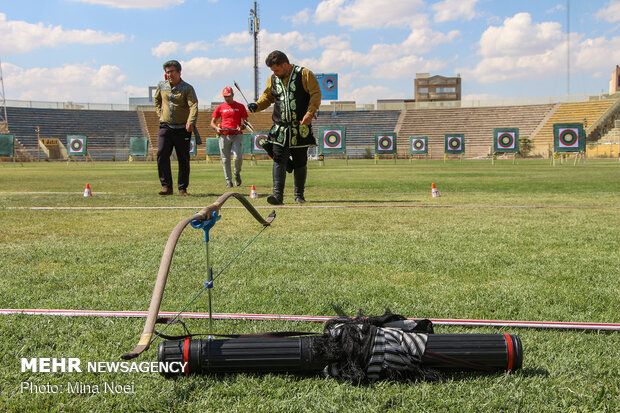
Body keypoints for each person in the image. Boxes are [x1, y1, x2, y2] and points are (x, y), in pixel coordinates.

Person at [247, 50, 321, 204]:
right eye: (272, 70)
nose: (275, 73)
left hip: (300, 128)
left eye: (276, 69)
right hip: (280, 129)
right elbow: (267, 97)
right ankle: (277, 196)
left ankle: (299, 195)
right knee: (279, 159)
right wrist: (256, 105)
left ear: (285, 65)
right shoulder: (272, 79)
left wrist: (310, 112)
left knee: (300, 161)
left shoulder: (305, 74)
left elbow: (316, 93)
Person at [154, 59, 198, 196]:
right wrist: (160, 113)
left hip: (182, 129)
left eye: (172, 71)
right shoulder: (161, 85)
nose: (169, 75)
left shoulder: (187, 88)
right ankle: (167, 187)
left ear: (179, 72)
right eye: (167, 72)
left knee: (183, 158)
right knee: (161, 154)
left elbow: (193, 105)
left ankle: (182, 188)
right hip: (165, 126)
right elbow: (157, 100)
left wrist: (191, 121)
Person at [210, 86, 248, 187]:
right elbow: (212, 122)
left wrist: (242, 127)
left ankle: (236, 173)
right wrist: (216, 129)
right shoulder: (220, 107)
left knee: (238, 157)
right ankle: (228, 181)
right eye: (225, 96)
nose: (227, 98)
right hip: (224, 135)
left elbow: (246, 122)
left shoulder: (240, 106)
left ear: (233, 95)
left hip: (236, 134)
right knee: (225, 159)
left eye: (228, 96)